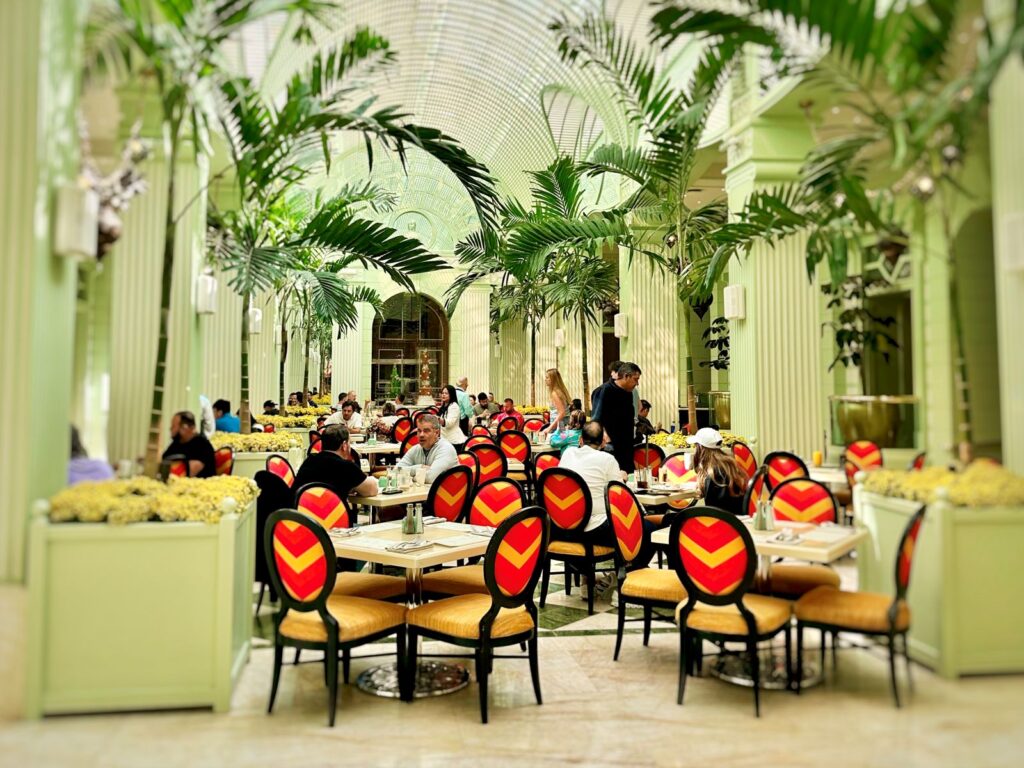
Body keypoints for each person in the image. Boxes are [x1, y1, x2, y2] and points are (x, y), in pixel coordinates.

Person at [293, 424, 377, 498]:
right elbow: (371, 490)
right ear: (344, 445)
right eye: (349, 443)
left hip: (300, 510)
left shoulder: (310, 460)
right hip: (330, 511)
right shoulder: (346, 467)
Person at [592, 361, 641, 473]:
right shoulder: (604, 391)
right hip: (611, 447)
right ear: (626, 376)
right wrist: (606, 438)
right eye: (635, 379)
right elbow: (596, 419)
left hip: (626, 447)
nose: (637, 383)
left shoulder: (628, 392)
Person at [687, 428, 748, 516]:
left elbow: (713, 513)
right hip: (739, 519)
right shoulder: (729, 465)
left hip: (723, 521)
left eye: (695, 446)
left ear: (700, 447)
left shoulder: (714, 475)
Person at [395, 414, 458, 483]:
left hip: (448, 489)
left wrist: (410, 478)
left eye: (426, 431)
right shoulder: (415, 449)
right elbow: (395, 471)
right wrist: (420, 467)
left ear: (436, 433)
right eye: (419, 431)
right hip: (422, 489)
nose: (421, 435)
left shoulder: (446, 449)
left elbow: (430, 478)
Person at [162, 411, 216, 478]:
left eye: (173, 426)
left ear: (185, 428)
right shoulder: (177, 443)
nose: (170, 429)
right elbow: (164, 459)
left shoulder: (202, 445)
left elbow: (187, 472)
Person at [542, 368, 571, 436]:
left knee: (559, 441)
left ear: (553, 379)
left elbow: (562, 413)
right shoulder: (559, 391)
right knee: (563, 440)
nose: (545, 380)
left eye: (547, 377)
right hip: (562, 424)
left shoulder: (555, 393)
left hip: (560, 425)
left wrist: (549, 428)